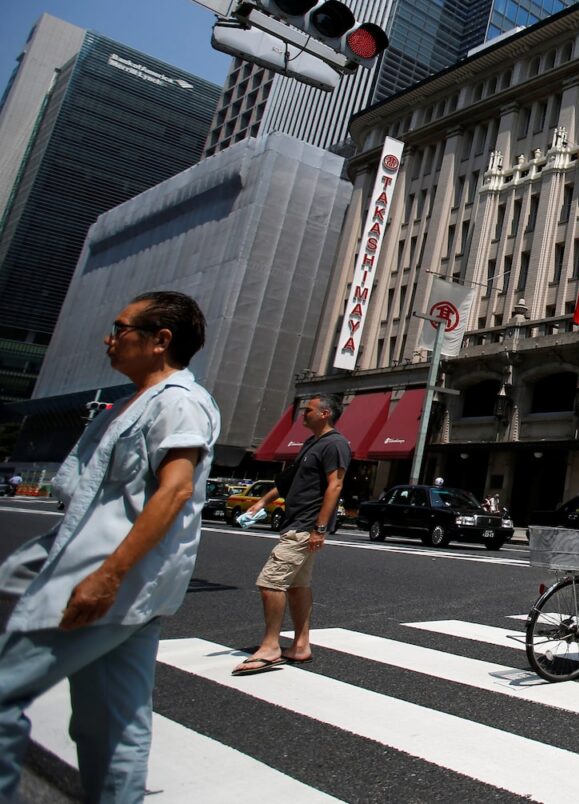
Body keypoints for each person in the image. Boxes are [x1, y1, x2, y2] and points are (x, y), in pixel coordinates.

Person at [0, 291, 219, 800]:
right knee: (114, 727)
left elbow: (177, 489)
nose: (110, 338)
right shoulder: (136, 403)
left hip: (105, 580)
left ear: (160, 341)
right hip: (124, 587)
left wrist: (109, 574)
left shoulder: (179, 402)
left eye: (121, 328)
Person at [233, 394, 352, 674]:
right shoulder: (312, 443)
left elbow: (335, 486)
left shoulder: (335, 444)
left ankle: (271, 646)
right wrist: (261, 502)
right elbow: (288, 481)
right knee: (298, 586)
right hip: (298, 523)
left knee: (270, 583)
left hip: (304, 526)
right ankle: (300, 645)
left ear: (325, 414)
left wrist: (320, 528)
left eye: (308, 410)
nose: (302, 414)